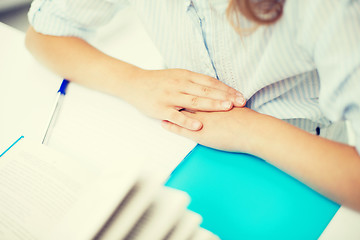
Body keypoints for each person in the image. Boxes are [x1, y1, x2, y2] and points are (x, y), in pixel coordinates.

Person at [25, 0, 360, 211]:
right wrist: (134, 81)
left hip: (310, 167)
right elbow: (43, 33)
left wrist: (251, 129)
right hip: (184, 153)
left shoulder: (329, 9)